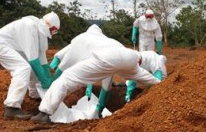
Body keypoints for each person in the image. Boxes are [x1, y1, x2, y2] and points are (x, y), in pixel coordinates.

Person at [31, 46, 160, 124]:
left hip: (103, 59)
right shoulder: (132, 60)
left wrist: (89, 85)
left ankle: (44, 113)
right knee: (145, 77)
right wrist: (160, 85)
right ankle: (161, 85)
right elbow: (142, 75)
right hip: (119, 61)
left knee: (67, 77)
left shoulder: (122, 50)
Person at [0, 12, 60, 120]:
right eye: (53, 31)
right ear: (49, 26)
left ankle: (36, 95)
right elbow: (34, 60)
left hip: (15, 48)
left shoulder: (40, 32)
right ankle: (11, 108)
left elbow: (42, 59)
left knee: (32, 69)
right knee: (23, 68)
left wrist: (47, 79)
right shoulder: (30, 26)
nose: (52, 33)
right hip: (1, 45)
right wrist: (45, 81)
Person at [48, 24, 119, 115]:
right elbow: (106, 86)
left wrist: (55, 62)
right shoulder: (107, 41)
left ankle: (49, 93)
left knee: (63, 70)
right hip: (108, 59)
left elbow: (65, 54)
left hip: (102, 59)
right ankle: (99, 110)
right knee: (106, 84)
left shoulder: (81, 38)